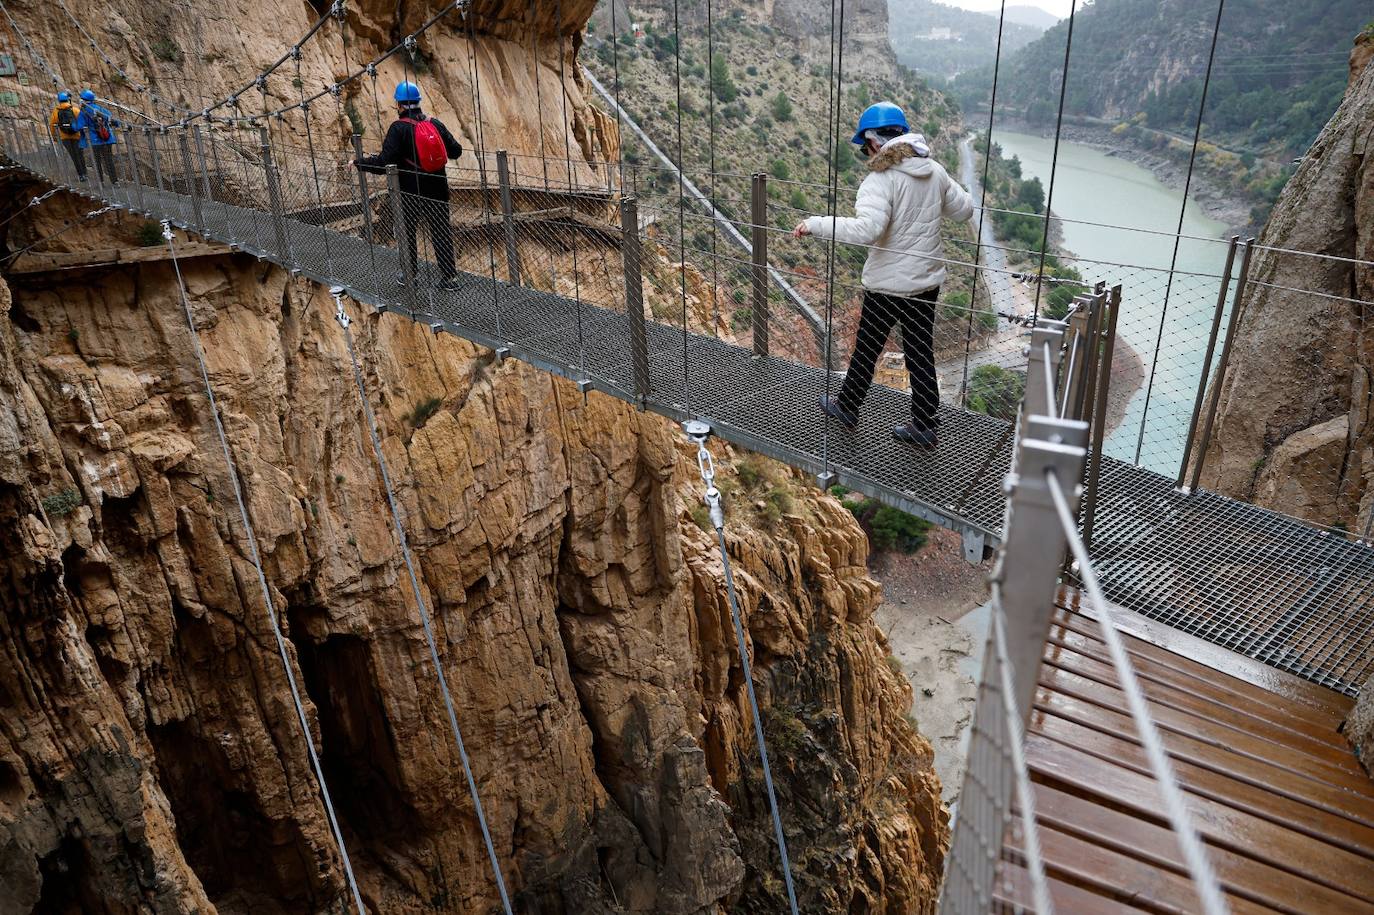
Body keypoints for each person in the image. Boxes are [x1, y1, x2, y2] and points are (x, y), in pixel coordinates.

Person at [793, 101, 973, 447]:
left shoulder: (880, 180)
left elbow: (867, 230)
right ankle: (924, 425)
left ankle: (847, 407)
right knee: (920, 351)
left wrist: (816, 224)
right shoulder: (934, 171)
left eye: (864, 146)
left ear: (874, 142)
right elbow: (964, 210)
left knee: (868, 347)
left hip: (888, 285)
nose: (865, 152)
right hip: (925, 281)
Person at [354, 80, 463, 291]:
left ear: (400, 105)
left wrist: (359, 163)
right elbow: (456, 151)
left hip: (409, 193)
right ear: (418, 102)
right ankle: (450, 279)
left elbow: (383, 163)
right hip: (438, 190)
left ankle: (410, 276)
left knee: (406, 231)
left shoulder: (398, 128)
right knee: (440, 231)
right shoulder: (435, 124)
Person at [72, 89, 120, 186]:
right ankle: (115, 182)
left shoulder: (83, 111)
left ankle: (101, 182)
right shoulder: (101, 109)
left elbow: (78, 127)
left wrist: (72, 123)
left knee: (97, 161)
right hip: (107, 138)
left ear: (83, 100)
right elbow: (114, 121)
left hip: (95, 141)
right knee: (109, 160)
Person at [48, 91, 87, 182]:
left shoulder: (55, 111)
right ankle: (84, 172)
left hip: (64, 137)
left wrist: (54, 136)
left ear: (59, 100)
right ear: (67, 99)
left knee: (73, 156)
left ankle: (81, 175)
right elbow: (83, 121)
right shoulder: (74, 109)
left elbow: (52, 125)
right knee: (80, 154)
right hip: (76, 135)